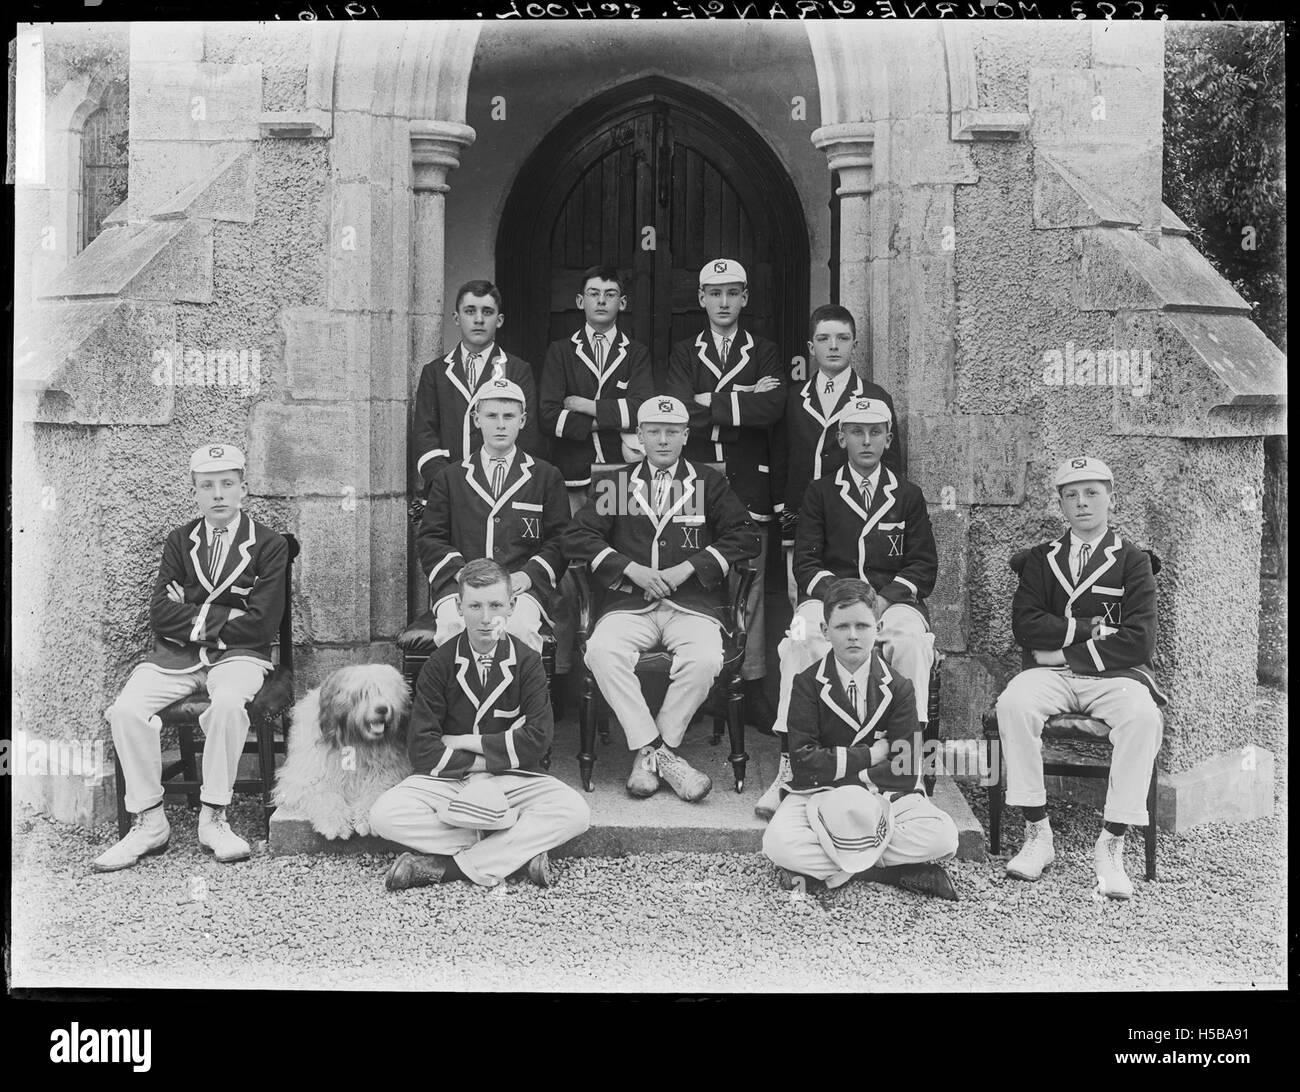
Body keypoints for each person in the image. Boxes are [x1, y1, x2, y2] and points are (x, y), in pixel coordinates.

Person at [93, 444, 288, 872]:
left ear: (243, 489)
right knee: (124, 710)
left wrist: (192, 612)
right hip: (177, 657)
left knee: (227, 706)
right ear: (195, 492)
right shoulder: (180, 541)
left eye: (227, 484)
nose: (218, 494)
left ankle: (214, 816)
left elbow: (260, 625)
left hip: (240, 658)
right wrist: (226, 613)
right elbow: (160, 615)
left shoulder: (270, 546)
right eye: (207, 486)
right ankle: (149, 821)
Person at [566, 395, 760, 802]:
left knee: (707, 658)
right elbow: (579, 536)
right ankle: (655, 751)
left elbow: (744, 536)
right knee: (600, 651)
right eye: (653, 431)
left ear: (686, 435)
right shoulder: (618, 485)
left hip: (691, 604)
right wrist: (629, 568)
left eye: (672, 432)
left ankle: (654, 755)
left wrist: (687, 568)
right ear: (639, 436)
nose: (663, 440)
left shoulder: (707, 483)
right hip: (630, 603)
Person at [757, 397, 937, 819]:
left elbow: (923, 565)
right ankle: (790, 764)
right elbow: (806, 562)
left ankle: (909, 769)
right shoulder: (820, 492)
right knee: (799, 635)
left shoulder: (907, 495)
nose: (867, 440)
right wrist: (843, 600)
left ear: (888, 438)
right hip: (830, 602)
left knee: (912, 639)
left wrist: (882, 599)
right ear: (842, 438)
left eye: (876, 432)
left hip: (889, 603)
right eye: (857, 431)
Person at [996, 457, 1166, 901]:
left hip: (1113, 676)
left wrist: (1062, 648)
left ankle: (1111, 843)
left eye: (1092, 492)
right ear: (1061, 504)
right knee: (1013, 704)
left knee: (1143, 719)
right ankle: (1037, 833)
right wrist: (1089, 627)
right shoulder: (1042, 559)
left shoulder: (1133, 561)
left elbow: (1138, 643)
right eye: (1071, 494)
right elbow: (1025, 626)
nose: (1082, 502)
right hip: (1050, 674)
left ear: (1111, 497)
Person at [369, 559, 591, 890]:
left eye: (496, 605)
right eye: (475, 606)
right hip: (451, 780)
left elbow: (538, 740)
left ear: (512, 606)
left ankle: (447, 868)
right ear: (459, 607)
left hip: (511, 778)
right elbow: (423, 748)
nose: (486, 618)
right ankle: (514, 852)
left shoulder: (527, 663)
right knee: (384, 815)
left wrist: (461, 740)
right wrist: (482, 758)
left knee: (575, 811)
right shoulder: (439, 664)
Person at [761, 578, 958, 900]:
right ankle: (890, 871)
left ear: (878, 628)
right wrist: (871, 755)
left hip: (885, 793)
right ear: (825, 631)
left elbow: (906, 769)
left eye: (862, 626)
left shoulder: (900, 687)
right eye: (842, 627)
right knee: (778, 844)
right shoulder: (806, 684)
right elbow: (803, 763)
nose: (853, 635)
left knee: (944, 837)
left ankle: (837, 868)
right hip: (819, 793)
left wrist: (841, 767)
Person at [666, 258, 786, 733]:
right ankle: (704, 689)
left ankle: (749, 684)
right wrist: (742, 394)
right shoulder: (683, 351)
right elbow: (677, 412)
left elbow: (771, 408)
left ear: (745, 298)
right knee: (701, 574)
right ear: (701, 299)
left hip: (749, 479)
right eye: (714, 294)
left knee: (750, 582)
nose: (723, 302)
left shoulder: (767, 350)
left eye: (732, 293)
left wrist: (708, 400)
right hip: (697, 482)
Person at [539, 265, 654, 675]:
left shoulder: (635, 352)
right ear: (580, 301)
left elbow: (642, 411)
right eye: (593, 293)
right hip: (573, 475)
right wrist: (611, 415)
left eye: (609, 293)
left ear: (621, 303)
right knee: (572, 569)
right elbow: (549, 415)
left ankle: (616, 665)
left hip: (620, 474)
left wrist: (585, 405)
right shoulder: (560, 351)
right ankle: (568, 670)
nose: (601, 300)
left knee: (617, 561)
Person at [416, 378, 569, 653]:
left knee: (519, 626)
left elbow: (560, 539)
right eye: (491, 415)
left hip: (519, 586)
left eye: (509, 416)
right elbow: (430, 538)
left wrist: (528, 575)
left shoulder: (546, 476)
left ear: (522, 421)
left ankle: (518, 696)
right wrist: (461, 573)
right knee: (455, 625)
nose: (501, 424)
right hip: (460, 585)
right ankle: (460, 695)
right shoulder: (450, 478)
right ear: (477, 419)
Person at [772, 304, 899, 559]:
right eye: (823, 339)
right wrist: (786, 524)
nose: (833, 346)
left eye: (842, 338)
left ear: (854, 344)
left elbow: (891, 464)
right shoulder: (794, 398)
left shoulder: (875, 397)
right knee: (802, 594)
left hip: (856, 520)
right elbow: (780, 460)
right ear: (811, 348)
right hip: (802, 521)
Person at [412, 279, 540, 494]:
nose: (479, 319)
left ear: (499, 320)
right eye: (470, 311)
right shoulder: (435, 372)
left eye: (487, 312)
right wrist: (446, 482)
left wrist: (501, 482)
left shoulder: (518, 370)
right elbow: (424, 434)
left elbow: (527, 434)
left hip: (500, 487)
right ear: (456, 317)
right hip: (447, 488)